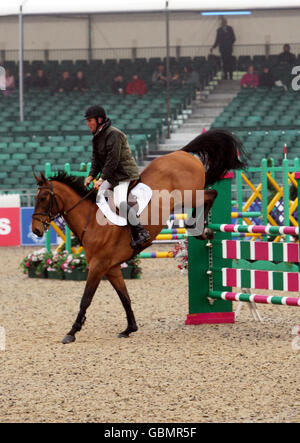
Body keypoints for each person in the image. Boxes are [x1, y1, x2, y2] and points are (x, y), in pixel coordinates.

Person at [83, 105, 150, 249]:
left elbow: (112, 160)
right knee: (96, 196)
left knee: (120, 202)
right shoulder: (97, 136)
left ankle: (140, 231)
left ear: (99, 119)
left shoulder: (114, 134)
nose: (88, 124)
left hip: (123, 174)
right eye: (87, 121)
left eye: (90, 120)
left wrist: (101, 179)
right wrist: (90, 175)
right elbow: (95, 159)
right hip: (112, 175)